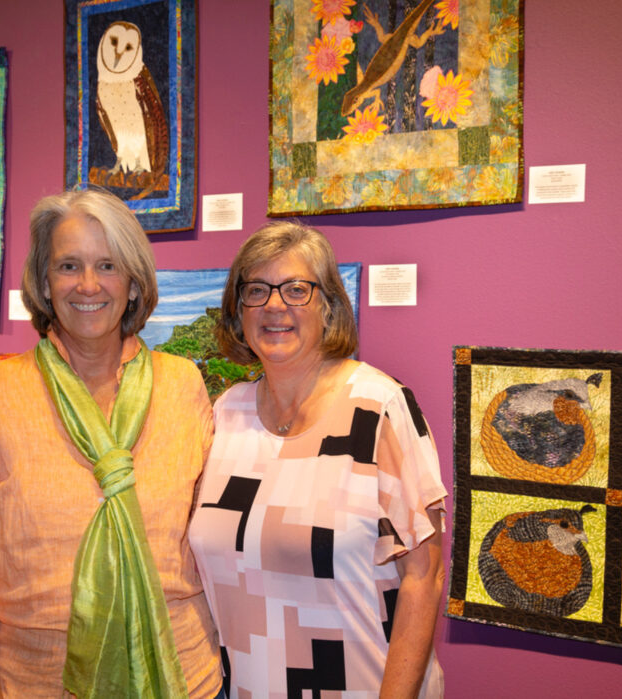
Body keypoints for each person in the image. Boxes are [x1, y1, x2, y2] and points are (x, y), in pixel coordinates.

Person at [0, 188, 221, 698]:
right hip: (36, 683)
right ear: (45, 283)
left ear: (133, 283)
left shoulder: (183, 385)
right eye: (69, 266)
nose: (88, 284)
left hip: (185, 678)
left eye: (108, 265)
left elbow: (210, 539)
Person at [188, 222, 447, 697]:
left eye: (295, 289)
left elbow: (423, 577)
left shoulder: (378, 409)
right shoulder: (226, 414)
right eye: (256, 290)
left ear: (328, 307)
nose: (274, 305)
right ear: (238, 311)